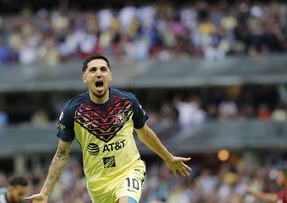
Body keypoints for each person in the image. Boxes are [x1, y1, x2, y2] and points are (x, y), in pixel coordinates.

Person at [25, 55, 192, 203]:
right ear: (84, 77)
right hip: (98, 184)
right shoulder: (72, 111)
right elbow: (62, 154)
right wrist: (45, 191)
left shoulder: (128, 102)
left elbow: (145, 133)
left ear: (110, 76)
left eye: (103, 69)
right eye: (93, 70)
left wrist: (168, 158)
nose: (99, 73)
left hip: (129, 170)